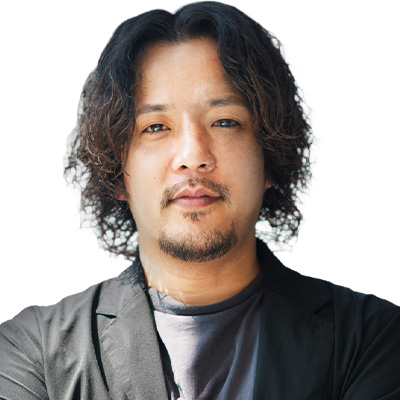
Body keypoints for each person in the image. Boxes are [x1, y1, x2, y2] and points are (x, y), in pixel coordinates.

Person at [0, 2, 399, 399]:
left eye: (225, 122)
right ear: (116, 172)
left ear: (271, 158)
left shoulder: (374, 340)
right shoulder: (31, 352)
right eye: (155, 127)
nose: (193, 155)